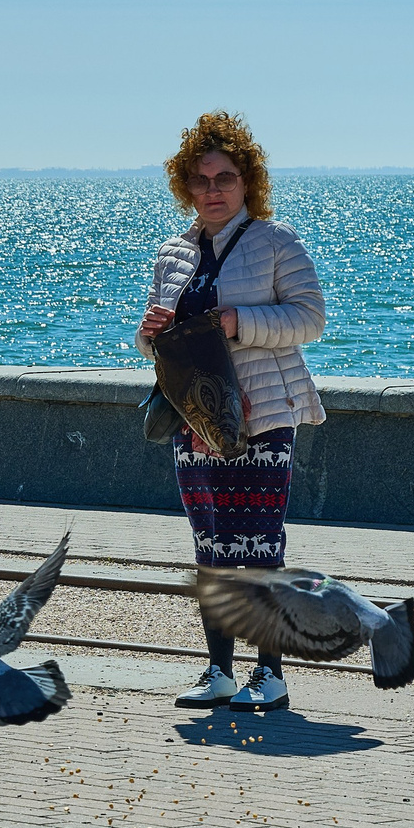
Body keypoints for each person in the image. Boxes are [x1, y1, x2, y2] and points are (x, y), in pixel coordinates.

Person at [135, 111, 326, 712]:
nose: (212, 190)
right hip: (194, 419)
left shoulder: (276, 242)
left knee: (258, 544)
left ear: (248, 182)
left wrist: (239, 322)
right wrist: (149, 333)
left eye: (224, 178)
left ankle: (270, 675)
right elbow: (156, 347)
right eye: (200, 179)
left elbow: (310, 319)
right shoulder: (173, 253)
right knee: (211, 543)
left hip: (263, 412)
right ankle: (218, 670)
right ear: (185, 186)